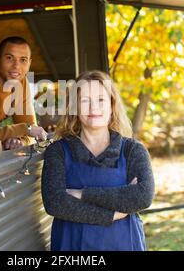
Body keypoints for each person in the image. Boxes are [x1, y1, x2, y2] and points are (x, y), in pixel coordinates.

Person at [41, 70, 154, 251]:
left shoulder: (133, 150)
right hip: (71, 245)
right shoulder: (58, 152)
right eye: (85, 100)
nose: (94, 108)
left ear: (112, 105)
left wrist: (81, 194)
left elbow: (142, 197)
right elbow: (55, 203)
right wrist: (113, 214)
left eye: (101, 100)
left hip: (123, 243)